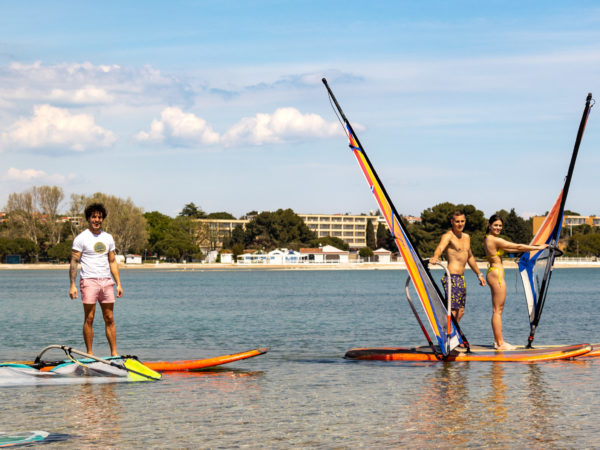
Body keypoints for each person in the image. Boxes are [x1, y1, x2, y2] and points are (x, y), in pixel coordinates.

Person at [484, 214, 547, 351]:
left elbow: (512, 249)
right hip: (496, 275)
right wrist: (537, 247)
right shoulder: (493, 239)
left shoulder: (491, 239)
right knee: (497, 310)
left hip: (494, 273)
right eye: (495, 225)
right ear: (489, 225)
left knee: (497, 309)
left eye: (500, 225)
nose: (498, 227)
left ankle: (498, 341)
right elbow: (517, 246)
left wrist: (529, 249)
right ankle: (500, 343)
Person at [69, 203, 123, 356]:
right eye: (94, 217)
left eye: (99, 217)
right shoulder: (81, 238)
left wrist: (118, 283)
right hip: (89, 281)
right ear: (88, 218)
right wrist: (72, 285)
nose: (97, 220)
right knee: (89, 318)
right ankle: (90, 354)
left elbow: (112, 261)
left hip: (106, 281)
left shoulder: (108, 238)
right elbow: (74, 262)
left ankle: (114, 354)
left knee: (109, 318)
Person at [430, 210, 486, 323]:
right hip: (452, 278)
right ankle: (448, 335)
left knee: (460, 311)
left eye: (462, 221)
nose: (460, 224)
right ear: (452, 222)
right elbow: (440, 248)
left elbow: (470, 257)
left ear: (465, 221)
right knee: (453, 311)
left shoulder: (467, 237)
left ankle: (454, 335)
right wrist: (435, 257)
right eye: (457, 221)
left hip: (461, 278)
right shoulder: (448, 236)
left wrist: (479, 274)